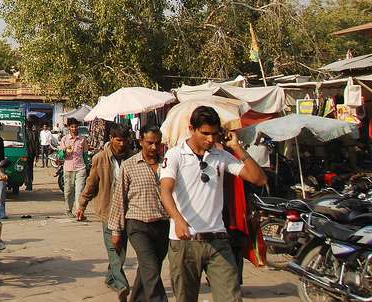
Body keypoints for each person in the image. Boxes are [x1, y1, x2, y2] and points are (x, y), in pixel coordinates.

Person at [159, 105, 267, 302]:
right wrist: (178, 219)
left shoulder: (221, 156)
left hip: (218, 240)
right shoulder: (174, 155)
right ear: (192, 129)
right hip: (185, 243)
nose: (210, 139)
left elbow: (258, 179)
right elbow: (165, 190)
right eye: (205, 133)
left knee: (231, 297)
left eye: (214, 134)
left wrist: (236, 147)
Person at [109, 126, 170, 302]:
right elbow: (119, 198)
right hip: (138, 225)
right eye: (149, 143)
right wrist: (116, 230)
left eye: (157, 143)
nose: (153, 147)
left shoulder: (167, 165)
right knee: (150, 268)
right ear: (141, 141)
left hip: (162, 224)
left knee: (151, 268)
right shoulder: (129, 166)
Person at [77, 124, 134, 302]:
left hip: (129, 211)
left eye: (125, 140)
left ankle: (111, 277)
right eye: (119, 140)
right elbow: (91, 183)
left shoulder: (134, 158)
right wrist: (82, 204)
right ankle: (121, 285)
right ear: (111, 139)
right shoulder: (100, 158)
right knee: (113, 248)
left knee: (121, 249)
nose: (122, 144)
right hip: (108, 210)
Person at [59, 116, 88, 217]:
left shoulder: (82, 140)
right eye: (72, 127)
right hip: (68, 168)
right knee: (68, 191)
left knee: (79, 191)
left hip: (81, 168)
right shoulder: (64, 139)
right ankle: (68, 209)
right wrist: (65, 151)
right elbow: (60, 155)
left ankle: (79, 212)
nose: (74, 129)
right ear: (69, 128)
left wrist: (87, 167)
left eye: (76, 127)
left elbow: (85, 155)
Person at [25, 117, 40, 190]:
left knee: (27, 169)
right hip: (32, 154)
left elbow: (37, 144)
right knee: (30, 169)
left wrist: (37, 155)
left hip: (27, 154)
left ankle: (29, 184)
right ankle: (29, 183)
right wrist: (37, 155)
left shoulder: (25, 133)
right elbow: (37, 145)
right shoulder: (34, 133)